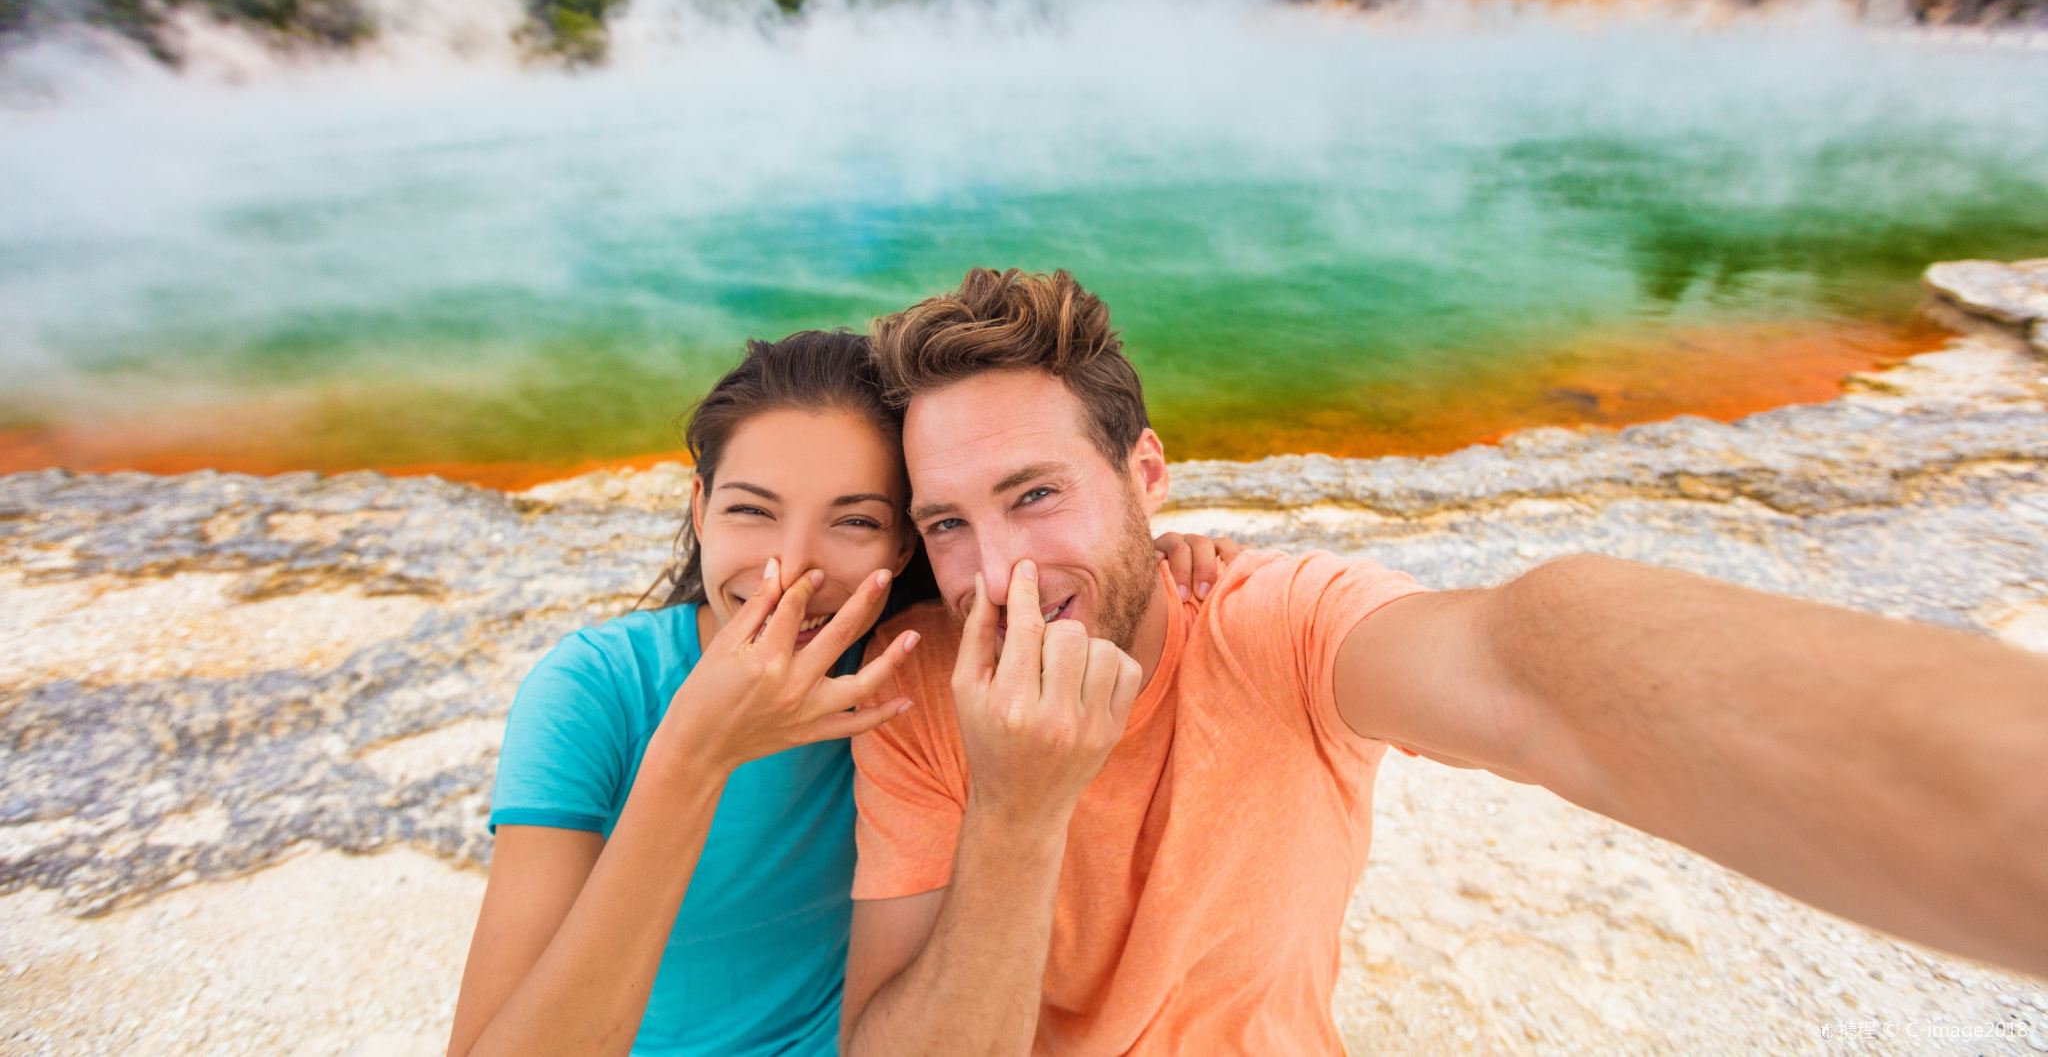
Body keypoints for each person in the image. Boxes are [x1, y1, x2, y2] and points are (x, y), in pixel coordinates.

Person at [840, 268, 2048, 1055]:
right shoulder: (924, 695)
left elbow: (1533, 675)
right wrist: (1013, 808)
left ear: (1144, 476)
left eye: (1035, 493)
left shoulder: (1273, 625)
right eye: (946, 521)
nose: (993, 572)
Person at [446, 328, 1238, 1057]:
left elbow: (1080, 582)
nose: (790, 569)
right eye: (751, 510)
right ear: (699, 507)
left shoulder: (931, 669)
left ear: (906, 536)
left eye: (853, 521)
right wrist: (691, 754)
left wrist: (1144, 546)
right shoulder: (594, 692)